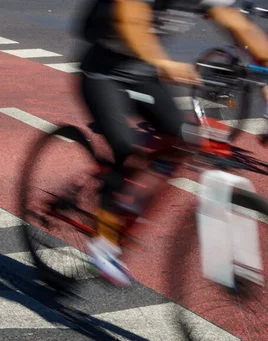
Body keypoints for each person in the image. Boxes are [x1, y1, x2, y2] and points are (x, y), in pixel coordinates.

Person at [79, 0, 268, 286]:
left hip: (144, 76)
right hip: (103, 74)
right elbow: (131, 20)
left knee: (183, 141)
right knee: (129, 154)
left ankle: (129, 203)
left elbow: (235, 22)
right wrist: (161, 62)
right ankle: (103, 243)